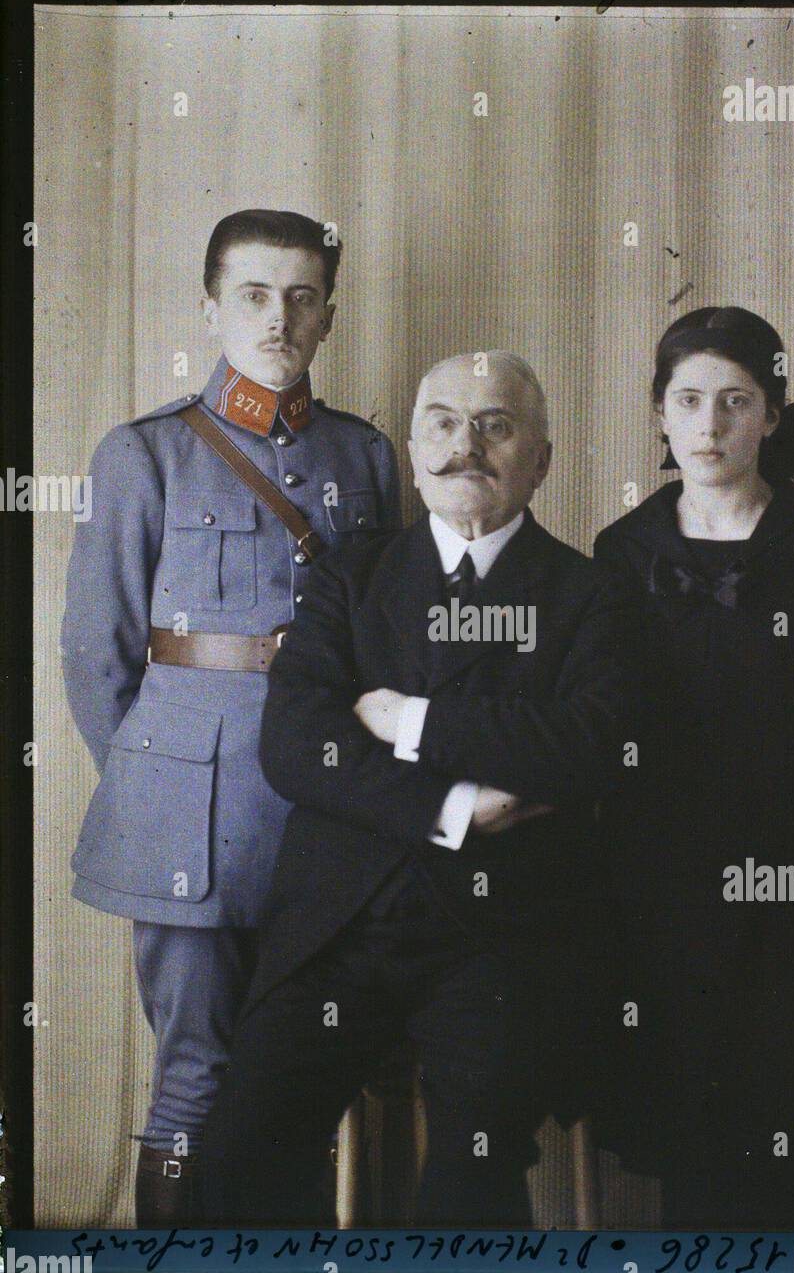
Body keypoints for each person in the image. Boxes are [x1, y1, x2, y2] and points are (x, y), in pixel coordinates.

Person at [199, 351, 630, 1228]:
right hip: (340, 926)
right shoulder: (348, 577)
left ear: (541, 459)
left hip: (502, 940)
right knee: (236, 1161)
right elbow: (293, 744)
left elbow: (586, 747)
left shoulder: (590, 593)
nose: (464, 445)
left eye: (495, 426)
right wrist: (453, 807)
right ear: (412, 446)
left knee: (471, 1179)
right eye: (441, 422)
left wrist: (404, 719)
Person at [61, 209, 400, 1227]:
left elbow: (387, 636)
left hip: (326, 820)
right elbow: (96, 655)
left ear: (328, 316)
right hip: (187, 825)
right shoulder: (146, 455)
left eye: (301, 297)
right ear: (211, 306)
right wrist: (159, 780)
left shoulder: (365, 457)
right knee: (194, 1076)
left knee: (297, 1075)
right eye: (253, 294)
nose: (278, 318)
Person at [594, 306, 794, 1230]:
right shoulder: (623, 557)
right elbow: (603, 735)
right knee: (688, 1135)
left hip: (789, 903)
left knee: (773, 1136)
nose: (711, 424)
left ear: (770, 415)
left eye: (736, 401)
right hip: (664, 899)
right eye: (689, 400)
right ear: (659, 413)